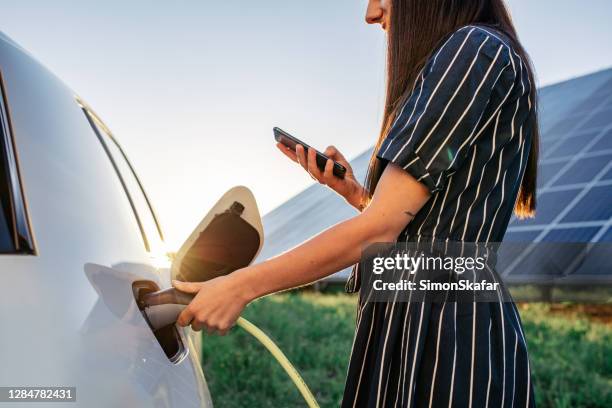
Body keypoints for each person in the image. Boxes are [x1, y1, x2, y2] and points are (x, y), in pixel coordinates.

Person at [174, 0, 538, 406]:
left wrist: (241, 285)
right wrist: (358, 196)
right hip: (439, 322)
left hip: (443, 335)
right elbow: (425, 228)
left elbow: (382, 231)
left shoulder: (473, 51)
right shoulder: (487, 52)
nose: (371, 12)